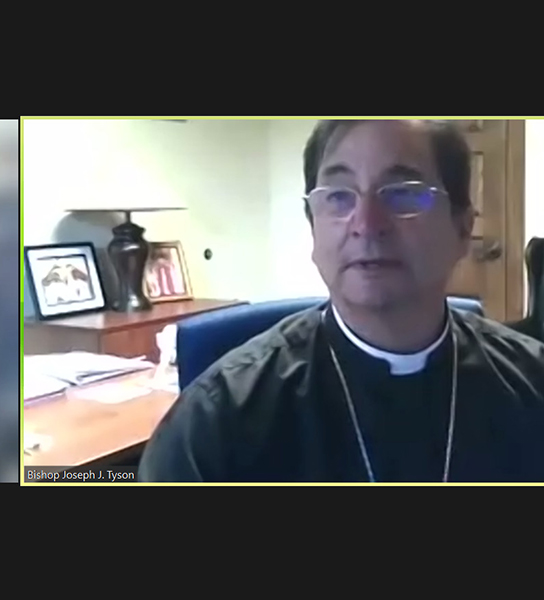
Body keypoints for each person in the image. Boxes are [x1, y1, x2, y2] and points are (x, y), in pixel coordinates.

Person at [139, 119, 544, 482]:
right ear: (313, 226)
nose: (366, 224)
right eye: (338, 196)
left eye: (403, 194)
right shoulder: (215, 421)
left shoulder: (532, 385)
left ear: (461, 229)